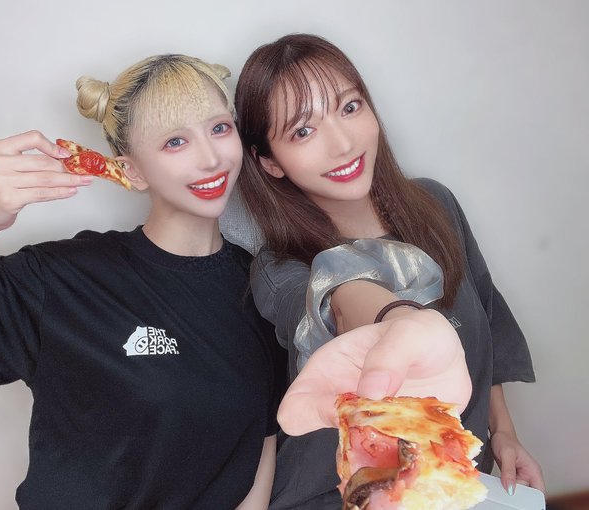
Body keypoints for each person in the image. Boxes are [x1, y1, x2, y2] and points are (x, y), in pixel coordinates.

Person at [0, 54, 286, 509]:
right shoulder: (63, 280)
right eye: (175, 141)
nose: (211, 158)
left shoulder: (265, 288)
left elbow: (261, 442)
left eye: (220, 128)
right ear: (132, 171)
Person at [231, 33, 545, 508]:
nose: (342, 143)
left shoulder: (435, 204)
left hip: (452, 486)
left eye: (349, 107)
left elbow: (485, 312)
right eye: (303, 132)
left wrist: (503, 432)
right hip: (339, 496)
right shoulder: (279, 268)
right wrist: (399, 323)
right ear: (269, 161)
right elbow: (336, 297)